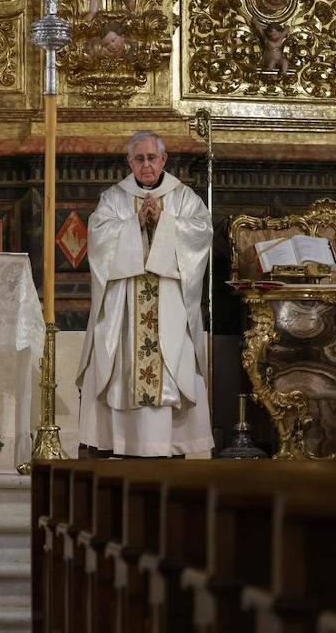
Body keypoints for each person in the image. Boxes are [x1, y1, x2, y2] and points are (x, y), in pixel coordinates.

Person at [75, 131, 214, 458]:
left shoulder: (184, 197)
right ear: (130, 162)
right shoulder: (114, 198)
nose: (147, 164)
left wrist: (164, 222)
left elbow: (200, 236)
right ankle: (123, 444)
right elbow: (97, 239)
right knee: (123, 367)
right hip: (126, 304)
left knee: (169, 362)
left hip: (168, 302)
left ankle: (169, 443)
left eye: (152, 158)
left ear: (163, 160)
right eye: (139, 159)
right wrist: (134, 223)